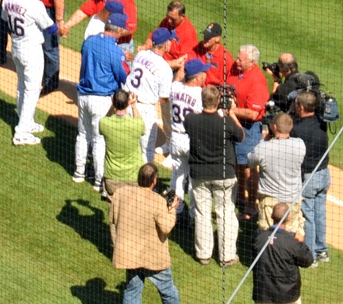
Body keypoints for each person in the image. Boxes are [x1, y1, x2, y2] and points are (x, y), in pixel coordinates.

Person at [185, 84, 244, 266]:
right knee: (225, 213)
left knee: (202, 213)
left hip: (199, 174)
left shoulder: (190, 120)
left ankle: (203, 254)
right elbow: (241, 135)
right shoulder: (225, 123)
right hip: (224, 174)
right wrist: (231, 114)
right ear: (218, 101)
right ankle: (226, 256)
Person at [0, 0, 58, 145]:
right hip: (31, 50)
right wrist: (61, 28)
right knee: (32, 90)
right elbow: (51, 28)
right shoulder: (35, 5)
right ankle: (21, 133)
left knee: (22, 85)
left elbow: (4, 18)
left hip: (16, 46)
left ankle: (26, 120)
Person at [73, 12, 129, 190]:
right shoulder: (115, 50)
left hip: (83, 96)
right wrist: (124, 59)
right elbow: (122, 76)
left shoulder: (89, 41)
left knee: (83, 135)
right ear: (118, 30)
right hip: (102, 100)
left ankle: (79, 173)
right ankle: (98, 181)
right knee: (99, 140)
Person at [110, 163, 181, 304]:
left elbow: (113, 218)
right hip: (153, 258)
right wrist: (172, 209)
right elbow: (166, 227)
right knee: (169, 292)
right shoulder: (158, 201)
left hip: (130, 255)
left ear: (138, 178)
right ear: (154, 181)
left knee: (132, 290)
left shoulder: (120, 194)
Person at [229, 44, 270, 220]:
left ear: (252, 62)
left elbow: (253, 114)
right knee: (238, 164)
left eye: (240, 59)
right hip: (234, 123)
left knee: (249, 169)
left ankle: (252, 205)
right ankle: (240, 197)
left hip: (249, 128)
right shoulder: (237, 71)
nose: (236, 61)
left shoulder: (257, 81)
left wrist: (230, 110)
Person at [248, 112, 306, 234]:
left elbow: (250, 162)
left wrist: (264, 140)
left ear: (274, 127)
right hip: (292, 200)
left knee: (266, 235)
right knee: (290, 235)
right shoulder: (300, 144)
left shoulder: (264, 148)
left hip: (269, 202)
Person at [291, 90, 330, 265]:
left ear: (300, 106)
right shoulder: (323, 122)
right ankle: (322, 250)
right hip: (324, 174)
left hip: (309, 177)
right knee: (320, 212)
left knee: (308, 215)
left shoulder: (298, 129)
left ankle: (311, 254)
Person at [167, 58, 211, 215]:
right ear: (198, 77)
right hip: (192, 140)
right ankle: (193, 216)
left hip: (176, 138)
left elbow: (178, 79)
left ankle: (175, 211)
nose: (206, 74)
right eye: (204, 72)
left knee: (177, 176)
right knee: (194, 180)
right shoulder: (201, 95)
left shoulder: (174, 87)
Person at [127, 27, 176, 162]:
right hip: (145, 111)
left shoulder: (141, 54)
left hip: (128, 104)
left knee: (128, 143)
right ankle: (143, 182)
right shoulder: (165, 69)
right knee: (147, 150)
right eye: (170, 41)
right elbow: (163, 99)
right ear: (165, 44)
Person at [252, 202, 313, 304]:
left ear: (271, 216)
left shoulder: (258, 238)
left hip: (263, 295)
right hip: (287, 297)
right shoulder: (291, 243)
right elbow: (308, 261)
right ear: (289, 218)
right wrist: (300, 243)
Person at [101, 89, 145, 202]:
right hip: (133, 177)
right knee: (132, 214)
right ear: (127, 103)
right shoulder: (136, 125)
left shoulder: (104, 123)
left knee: (114, 215)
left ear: (114, 103)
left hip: (112, 177)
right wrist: (134, 106)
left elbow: (106, 117)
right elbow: (141, 124)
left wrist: (113, 105)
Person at [139, 0, 195, 69]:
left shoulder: (188, 33)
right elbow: (154, 36)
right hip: (158, 61)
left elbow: (182, 62)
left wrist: (160, 64)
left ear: (182, 16)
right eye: (168, 16)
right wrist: (145, 46)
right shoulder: (167, 21)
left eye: (173, 19)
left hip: (172, 69)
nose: (169, 21)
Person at [190, 22, 235, 88]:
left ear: (218, 38)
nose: (205, 38)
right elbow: (189, 61)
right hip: (196, 85)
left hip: (213, 92)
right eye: (205, 35)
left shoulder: (225, 57)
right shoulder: (199, 47)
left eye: (208, 37)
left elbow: (231, 80)